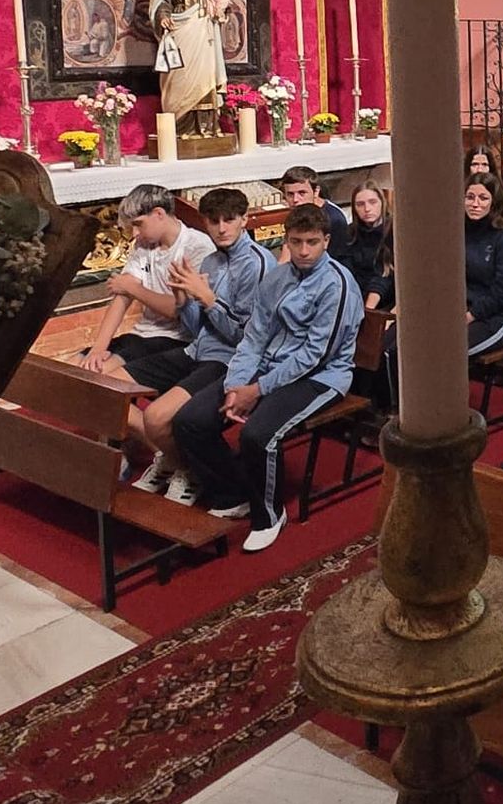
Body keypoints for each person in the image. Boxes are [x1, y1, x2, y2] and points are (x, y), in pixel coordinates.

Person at [173, 203, 364, 552]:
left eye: (312, 242)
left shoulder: (337, 284)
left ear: (326, 241)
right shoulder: (276, 278)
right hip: (267, 367)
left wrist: (258, 389)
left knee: (257, 434)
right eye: (296, 242)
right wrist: (235, 384)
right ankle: (234, 492)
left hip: (322, 377)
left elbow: (316, 355)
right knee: (191, 420)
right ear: (285, 240)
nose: (303, 251)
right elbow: (254, 337)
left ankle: (269, 515)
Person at [128, 187, 271, 504]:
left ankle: (188, 470)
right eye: (213, 221)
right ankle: (178, 462)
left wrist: (207, 299)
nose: (221, 228)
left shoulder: (257, 264)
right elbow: (196, 328)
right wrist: (182, 299)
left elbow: (247, 338)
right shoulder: (210, 261)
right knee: (109, 388)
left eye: (229, 220)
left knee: (156, 417)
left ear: (244, 219)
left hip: (229, 360)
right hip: (197, 349)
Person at [79, 183, 214, 393]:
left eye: (138, 225)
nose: (134, 233)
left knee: (100, 383)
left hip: (176, 339)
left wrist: (132, 288)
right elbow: (122, 297)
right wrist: (98, 348)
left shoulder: (197, 247)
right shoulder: (144, 246)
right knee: (73, 369)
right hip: (142, 333)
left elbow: (178, 310)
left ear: (159, 214)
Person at [150, 0, 227, 134]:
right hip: (181, 27)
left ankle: (206, 127)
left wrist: (220, 7)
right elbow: (161, 0)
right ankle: (181, 126)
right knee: (181, 75)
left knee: (205, 76)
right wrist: (163, 16)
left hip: (204, 27)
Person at [466, 176, 503, 356]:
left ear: (494, 202)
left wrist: (472, 314)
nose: (475, 204)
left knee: (448, 351)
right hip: (462, 311)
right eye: (470, 197)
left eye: (483, 198)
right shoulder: (458, 232)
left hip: (495, 318)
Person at [279, 167, 352, 262]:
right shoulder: (297, 211)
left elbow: (339, 258)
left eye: (302, 193)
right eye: (290, 194)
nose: (295, 200)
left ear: (316, 191)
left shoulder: (334, 219)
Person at [346, 182, 394, 310]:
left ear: (382, 203)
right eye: (360, 204)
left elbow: (385, 274)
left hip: (386, 300)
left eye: (373, 202)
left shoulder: (393, 230)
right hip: (356, 297)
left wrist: (369, 309)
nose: (367, 209)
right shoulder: (350, 232)